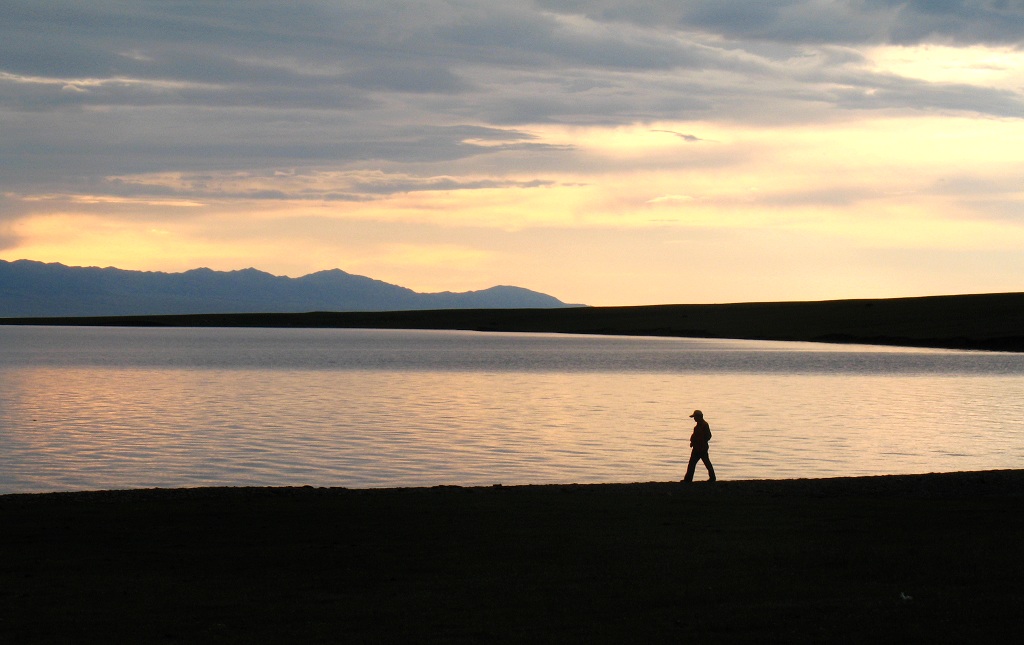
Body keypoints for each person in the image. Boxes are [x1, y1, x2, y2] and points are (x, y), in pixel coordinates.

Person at [683, 409, 716, 482]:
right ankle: (688, 479)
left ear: (699, 417)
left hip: (702, 448)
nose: (694, 419)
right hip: (697, 448)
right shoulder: (697, 426)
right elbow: (695, 436)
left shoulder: (704, 425)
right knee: (692, 464)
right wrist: (693, 442)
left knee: (705, 463)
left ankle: (712, 478)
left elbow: (708, 436)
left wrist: (701, 442)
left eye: (695, 417)